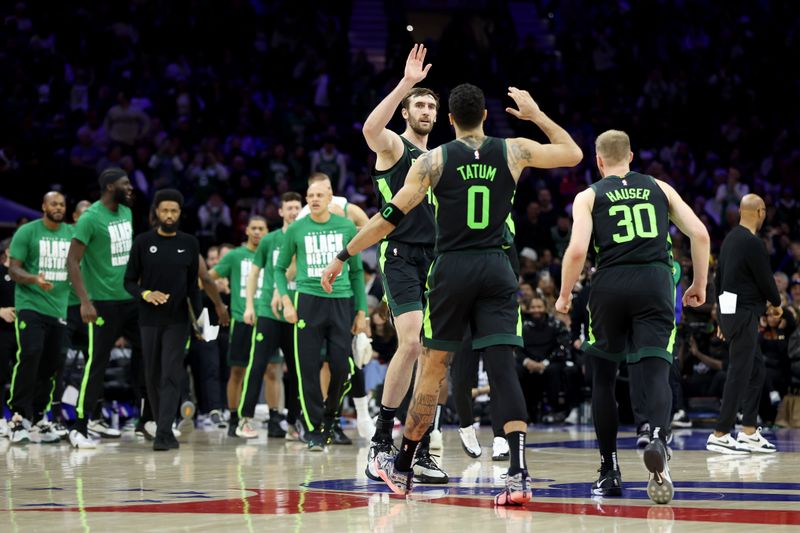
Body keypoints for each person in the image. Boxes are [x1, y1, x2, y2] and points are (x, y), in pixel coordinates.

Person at [322, 84, 582, 505]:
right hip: (496, 268)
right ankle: (517, 475)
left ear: (449, 119)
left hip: (450, 265)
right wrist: (535, 114)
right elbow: (572, 153)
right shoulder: (512, 150)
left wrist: (344, 253)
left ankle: (403, 464)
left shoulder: (434, 160)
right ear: (486, 115)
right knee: (501, 369)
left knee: (432, 365)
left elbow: (388, 216)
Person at [555, 129, 710, 505]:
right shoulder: (660, 188)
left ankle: (609, 471)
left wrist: (563, 294)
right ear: (632, 157)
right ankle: (657, 434)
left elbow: (577, 251)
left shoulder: (589, 195)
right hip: (655, 282)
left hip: (608, 284)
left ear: (599, 160)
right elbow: (700, 234)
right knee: (656, 370)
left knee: (604, 380)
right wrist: (698, 285)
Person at [360, 43, 448, 483]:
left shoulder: (441, 157)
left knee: (436, 356)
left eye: (432, 104)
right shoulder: (395, 147)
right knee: (410, 343)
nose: (427, 109)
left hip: (438, 259)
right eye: (420, 104)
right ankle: (379, 441)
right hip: (399, 255)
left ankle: (421, 446)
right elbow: (369, 128)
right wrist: (405, 84)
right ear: (407, 113)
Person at [275, 180, 369, 451]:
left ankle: (331, 416)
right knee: (307, 368)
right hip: (307, 300)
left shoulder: (346, 227)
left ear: (331, 198)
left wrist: (361, 310)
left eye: (320, 195)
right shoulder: (296, 229)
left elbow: (356, 272)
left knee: (341, 365)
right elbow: (280, 269)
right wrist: (286, 300)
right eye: (310, 195)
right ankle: (314, 428)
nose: (314, 199)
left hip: (341, 301)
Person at [67, 168, 140, 449]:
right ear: (110, 187)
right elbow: (72, 261)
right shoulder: (90, 219)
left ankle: (147, 416)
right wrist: (85, 301)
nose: (131, 187)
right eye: (126, 183)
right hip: (103, 303)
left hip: (129, 299)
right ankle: (81, 426)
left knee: (149, 350)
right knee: (96, 363)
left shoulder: (127, 212)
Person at [124, 189, 200, 450]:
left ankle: (164, 431)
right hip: (148, 319)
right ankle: (160, 425)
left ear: (180, 213)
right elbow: (129, 282)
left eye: (174, 211)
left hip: (178, 320)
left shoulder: (189, 243)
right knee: (152, 375)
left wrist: (200, 320)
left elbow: (193, 287)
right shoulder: (143, 242)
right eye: (165, 210)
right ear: (156, 212)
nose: (169, 215)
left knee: (171, 374)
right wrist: (146, 293)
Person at [707, 193, 781, 454]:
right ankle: (721, 432)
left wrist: (721, 317)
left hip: (731, 311)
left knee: (756, 369)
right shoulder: (752, 242)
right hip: (745, 312)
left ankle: (749, 430)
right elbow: (766, 279)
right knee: (739, 372)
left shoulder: (729, 240)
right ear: (760, 212)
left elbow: (720, 279)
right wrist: (777, 303)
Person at [6, 192, 73, 444]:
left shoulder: (71, 234)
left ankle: (36, 418)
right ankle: (18, 415)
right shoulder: (28, 232)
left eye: (62, 204)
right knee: (31, 352)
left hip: (59, 308)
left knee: (51, 363)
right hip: (30, 304)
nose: (58, 207)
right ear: (43, 206)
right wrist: (34, 278)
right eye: (53, 203)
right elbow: (13, 269)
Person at [242, 192, 303, 439]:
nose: (293, 212)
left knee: (297, 370)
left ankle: (292, 423)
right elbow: (254, 273)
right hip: (268, 310)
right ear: (280, 212)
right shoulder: (270, 240)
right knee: (257, 365)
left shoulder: (304, 236)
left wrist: (282, 290)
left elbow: (297, 266)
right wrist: (249, 305)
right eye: (289, 208)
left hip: (295, 311)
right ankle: (244, 419)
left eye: (297, 208)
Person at [208, 216, 268, 438]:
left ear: (266, 231)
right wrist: (218, 301)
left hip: (268, 320)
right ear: (246, 230)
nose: (257, 232)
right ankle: (234, 417)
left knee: (271, 370)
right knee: (237, 371)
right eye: (253, 227)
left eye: (261, 228)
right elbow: (208, 277)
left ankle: (274, 417)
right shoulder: (235, 256)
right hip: (242, 320)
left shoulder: (270, 253)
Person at [296, 173, 369, 229]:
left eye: (329, 188)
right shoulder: (302, 217)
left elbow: (371, 232)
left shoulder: (347, 208)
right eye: (322, 189)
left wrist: (351, 230)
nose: (328, 193)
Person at [0, 239, 15, 439]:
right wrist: (0, 311)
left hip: (23, 331)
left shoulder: (26, 274)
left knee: (23, 377)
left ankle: (21, 418)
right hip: (2, 333)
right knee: (0, 376)